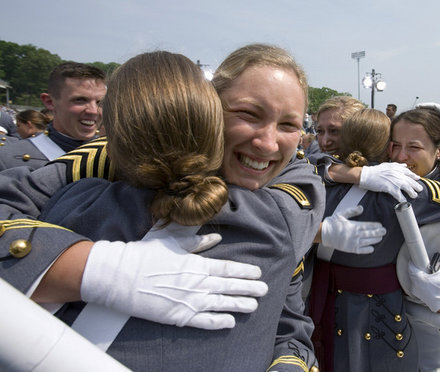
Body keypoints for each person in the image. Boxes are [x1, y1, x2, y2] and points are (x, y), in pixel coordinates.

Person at [0, 45, 326, 372]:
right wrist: (93, 268)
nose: (268, 143)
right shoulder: (105, 165)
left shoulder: (286, 197)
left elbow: (289, 327)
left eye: (289, 125)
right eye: (248, 114)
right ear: (206, 109)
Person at [308, 106, 440, 372]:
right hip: (374, 326)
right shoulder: (379, 182)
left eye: (413, 147)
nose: (401, 156)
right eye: (394, 145)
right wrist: (351, 173)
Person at [0, 62, 106, 171]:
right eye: (80, 100)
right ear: (49, 102)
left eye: (100, 102)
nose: (93, 111)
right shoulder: (8, 160)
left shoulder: (113, 158)